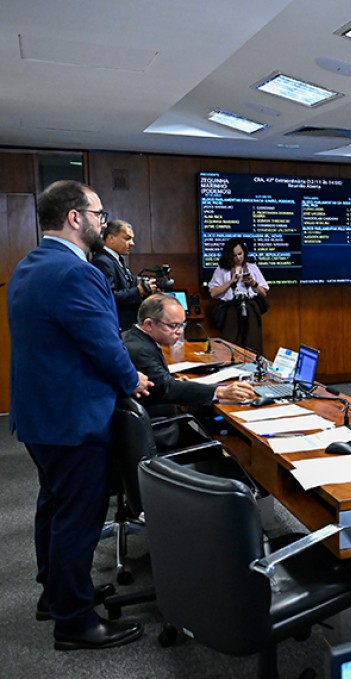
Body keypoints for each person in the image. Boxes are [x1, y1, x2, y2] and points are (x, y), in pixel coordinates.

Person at [7, 180, 152, 650]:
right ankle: (74, 622)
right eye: (98, 213)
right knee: (77, 517)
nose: (102, 221)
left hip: (39, 415)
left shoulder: (30, 264)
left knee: (53, 506)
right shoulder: (76, 272)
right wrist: (132, 379)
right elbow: (102, 341)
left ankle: (56, 595)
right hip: (73, 418)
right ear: (75, 217)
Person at [123, 294, 255, 424]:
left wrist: (177, 382)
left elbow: (157, 383)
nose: (179, 331)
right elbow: (166, 389)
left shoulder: (134, 338)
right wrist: (221, 391)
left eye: (182, 325)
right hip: (160, 426)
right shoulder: (140, 350)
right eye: (173, 326)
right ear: (149, 324)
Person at [89, 219, 153, 331]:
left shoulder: (116, 259)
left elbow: (126, 283)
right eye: (127, 238)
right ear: (111, 238)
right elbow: (108, 296)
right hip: (117, 326)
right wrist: (138, 291)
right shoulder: (102, 261)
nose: (132, 243)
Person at [208, 238, 269, 356]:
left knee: (252, 344)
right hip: (231, 309)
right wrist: (231, 282)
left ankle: (253, 365)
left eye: (240, 254)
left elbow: (263, 292)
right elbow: (213, 293)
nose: (238, 258)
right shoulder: (221, 270)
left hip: (250, 308)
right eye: (234, 255)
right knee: (231, 344)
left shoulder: (252, 268)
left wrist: (253, 283)